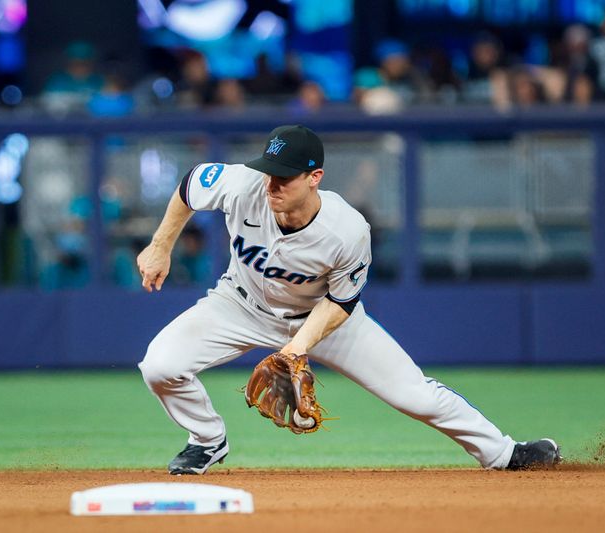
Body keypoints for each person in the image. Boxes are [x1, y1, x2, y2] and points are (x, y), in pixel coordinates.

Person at [136, 125, 561, 475]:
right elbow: (191, 184)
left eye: (284, 176)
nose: (272, 183)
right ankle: (207, 440)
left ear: (314, 177)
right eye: (269, 171)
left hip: (323, 318)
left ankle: (504, 454)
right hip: (238, 304)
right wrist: (160, 246)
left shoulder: (348, 229)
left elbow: (341, 302)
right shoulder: (245, 185)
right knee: (160, 366)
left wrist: (297, 348)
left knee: (415, 395)